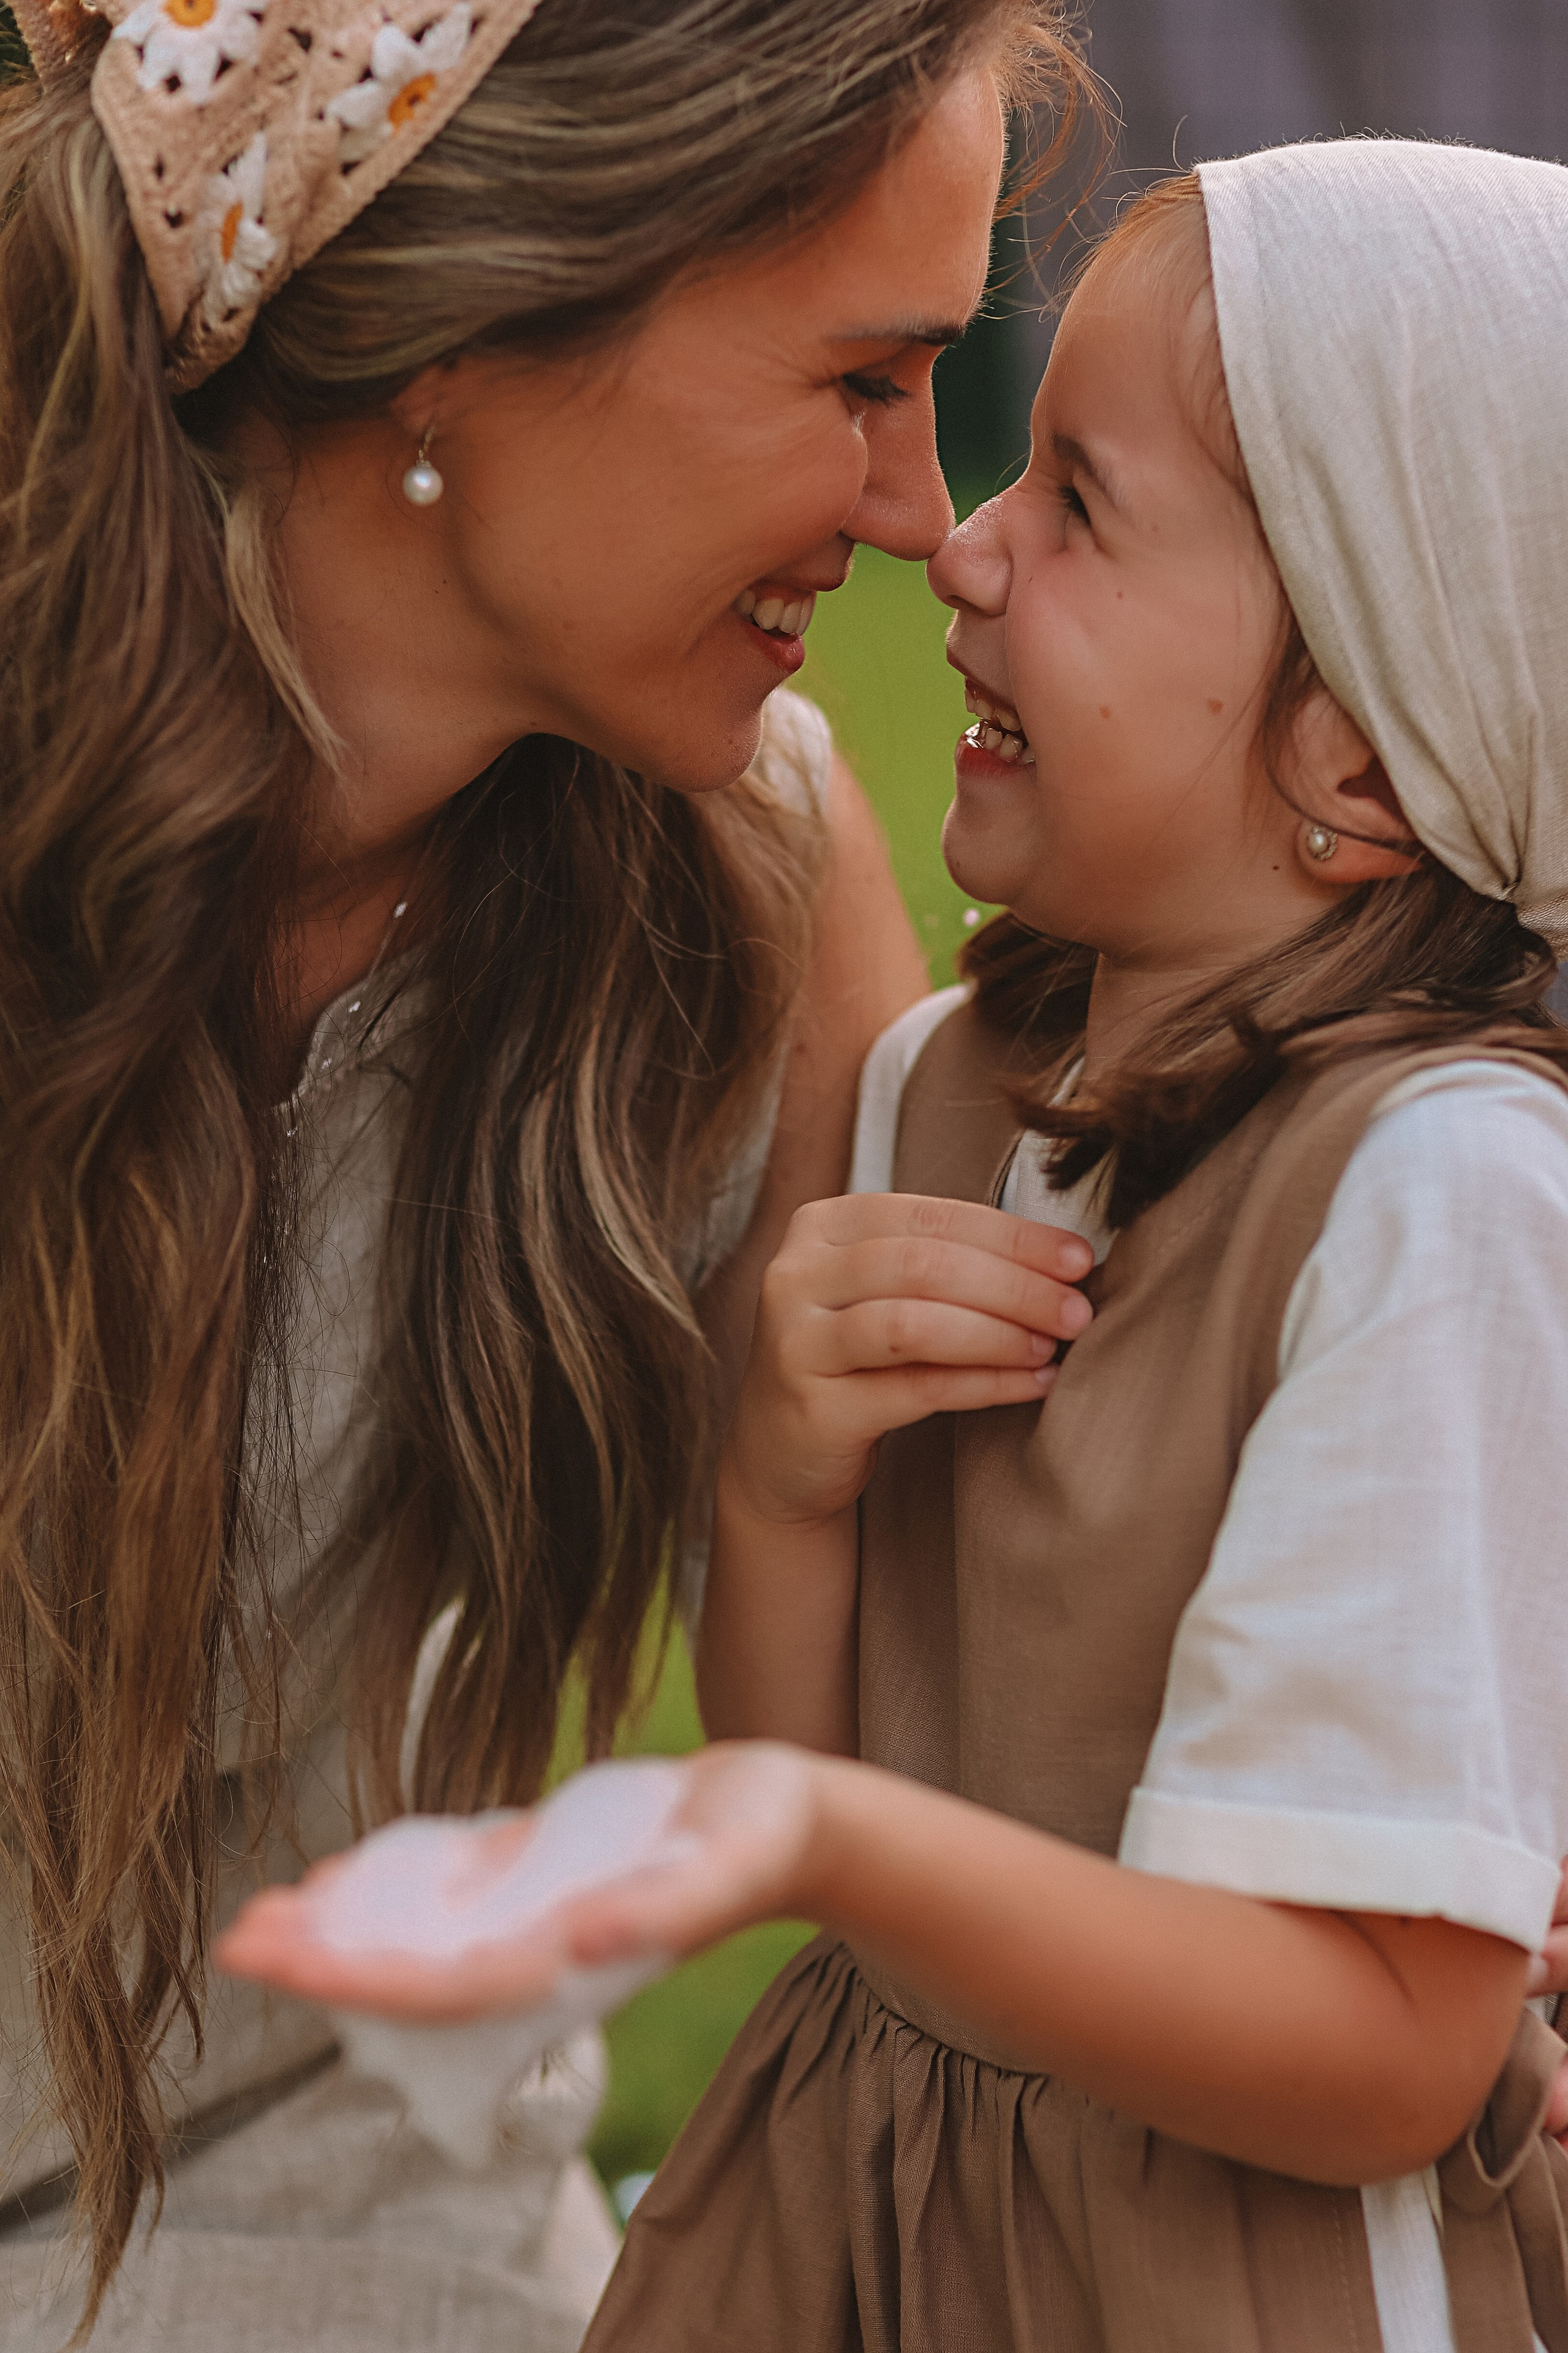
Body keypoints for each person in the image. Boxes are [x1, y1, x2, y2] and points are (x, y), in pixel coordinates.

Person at [225, 140, 1568, 2350]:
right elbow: (813, 1728)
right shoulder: (948, 1087)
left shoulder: (1435, 1194)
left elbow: (1389, 2051)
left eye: (1079, 504)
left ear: (1354, 749)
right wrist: (778, 1472)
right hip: (874, 2230)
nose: (957, 548)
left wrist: (813, 1848)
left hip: (1208, 2281)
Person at [0, 0, 1101, 2344]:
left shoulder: (751, 875)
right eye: (857, 385)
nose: (924, 516)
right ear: (469, 335)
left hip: (406, 2243)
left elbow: (926, 1787)